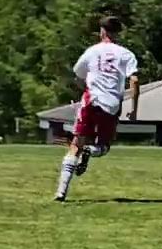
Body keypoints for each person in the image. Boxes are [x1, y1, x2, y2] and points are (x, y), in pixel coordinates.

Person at [53, 15, 140, 202]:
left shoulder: (92, 51)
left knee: (76, 144)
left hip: (90, 100)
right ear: (118, 33)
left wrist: (84, 88)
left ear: (102, 31)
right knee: (103, 147)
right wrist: (134, 108)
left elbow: (78, 74)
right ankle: (90, 151)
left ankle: (61, 191)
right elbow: (134, 80)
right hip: (111, 104)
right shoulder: (126, 54)